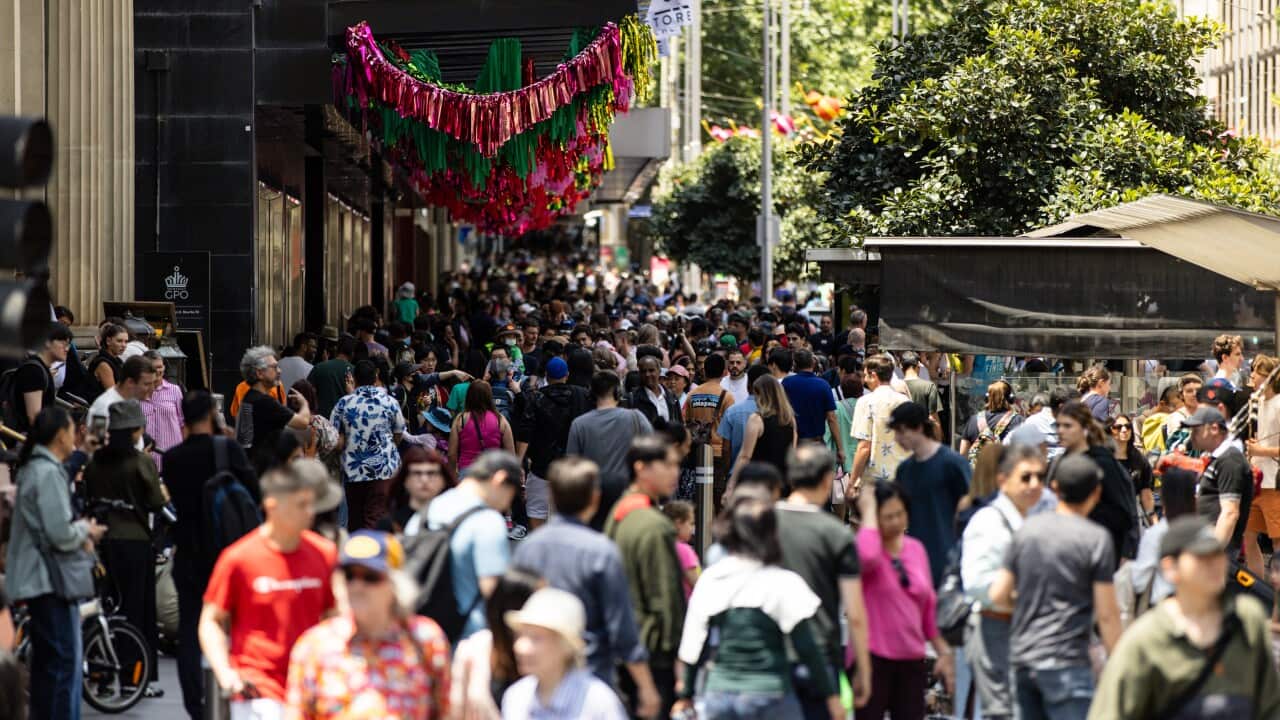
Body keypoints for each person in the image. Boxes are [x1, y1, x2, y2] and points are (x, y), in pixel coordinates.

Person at [673, 490, 843, 720]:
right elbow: (807, 647)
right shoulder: (783, 581)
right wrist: (831, 696)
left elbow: (694, 645)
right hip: (771, 694)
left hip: (720, 694)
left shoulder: (712, 579)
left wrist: (685, 694)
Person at [1090, 516, 1280, 720]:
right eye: (1201, 558)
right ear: (1170, 568)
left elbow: (1269, 704)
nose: (1214, 565)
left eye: (1218, 555)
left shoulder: (1248, 620)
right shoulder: (1145, 640)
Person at [510, 458, 660, 712]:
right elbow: (622, 627)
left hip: (538, 678)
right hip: (592, 676)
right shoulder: (602, 552)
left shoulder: (527, 549)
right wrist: (646, 686)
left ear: (552, 495)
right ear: (594, 498)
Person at [989, 454, 1122, 720]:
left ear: (1055, 488)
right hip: (1068, 662)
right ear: (1096, 492)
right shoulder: (1096, 539)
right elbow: (1107, 615)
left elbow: (998, 595)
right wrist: (1120, 665)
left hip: (1023, 661)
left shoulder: (1026, 530)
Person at [200, 466, 338, 720]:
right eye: (301, 505)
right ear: (272, 505)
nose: (310, 512)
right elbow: (211, 621)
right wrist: (225, 673)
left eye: (311, 504)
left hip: (314, 686)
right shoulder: (239, 558)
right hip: (257, 689)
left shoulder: (325, 554)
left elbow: (335, 617)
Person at [285, 530, 452, 720]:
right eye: (349, 576)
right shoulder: (314, 646)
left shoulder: (426, 639)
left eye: (370, 577)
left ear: (395, 584)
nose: (357, 586)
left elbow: (446, 713)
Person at [6, 407, 107, 720]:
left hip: (41, 579)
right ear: (60, 435)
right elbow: (60, 534)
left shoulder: (38, 468)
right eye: (70, 430)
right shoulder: (46, 472)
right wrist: (86, 530)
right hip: (48, 580)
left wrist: (85, 453)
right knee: (62, 662)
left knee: (50, 663)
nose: (73, 436)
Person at [163, 390, 259, 719]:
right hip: (228, 554)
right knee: (235, 624)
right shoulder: (227, 449)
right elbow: (253, 494)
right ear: (211, 414)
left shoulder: (173, 458)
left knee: (191, 628)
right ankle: (233, 688)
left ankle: (196, 705)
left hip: (188, 554)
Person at [776, 443, 873, 717]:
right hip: (819, 656)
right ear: (826, 478)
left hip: (766, 655)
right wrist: (863, 669)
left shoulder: (760, 524)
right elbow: (854, 612)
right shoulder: (836, 534)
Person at [82, 400, 169, 697]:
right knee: (137, 611)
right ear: (135, 431)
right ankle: (135, 679)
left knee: (104, 610)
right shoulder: (140, 462)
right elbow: (157, 502)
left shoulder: (94, 463)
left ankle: (101, 677)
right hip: (135, 542)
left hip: (103, 543)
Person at [961, 444, 1049, 720]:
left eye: (1040, 477)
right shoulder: (989, 521)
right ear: (1002, 479)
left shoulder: (1034, 518)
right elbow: (977, 585)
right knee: (1004, 712)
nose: (1035, 484)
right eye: (1026, 477)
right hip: (994, 628)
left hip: (1026, 631)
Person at [854, 480, 952, 719]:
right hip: (871, 659)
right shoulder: (865, 547)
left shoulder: (916, 549)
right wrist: (867, 511)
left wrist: (944, 652)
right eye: (887, 517)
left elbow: (927, 607)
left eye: (900, 514)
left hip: (911, 659)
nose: (896, 522)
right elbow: (867, 557)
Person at [603, 435, 685, 717]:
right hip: (653, 654)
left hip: (625, 646)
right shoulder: (653, 525)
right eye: (667, 465)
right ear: (641, 467)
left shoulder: (621, 510)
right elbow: (665, 600)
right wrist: (677, 659)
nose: (675, 472)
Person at [425, 451, 521, 640]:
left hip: (427, 633)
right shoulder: (488, 521)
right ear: (500, 479)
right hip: (470, 635)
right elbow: (493, 591)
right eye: (512, 495)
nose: (506, 505)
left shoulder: (428, 509)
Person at [500, 587, 629, 720]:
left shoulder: (598, 702)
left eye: (536, 638)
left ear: (566, 646)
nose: (520, 647)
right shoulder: (515, 698)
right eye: (519, 636)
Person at [889, 401, 971, 587]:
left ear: (918, 427)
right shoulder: (904, 470)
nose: (897, 438)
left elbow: (973, 509)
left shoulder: (953, 464)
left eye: (901, 431)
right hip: (916, 564)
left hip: (952, 562)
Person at [1055, 401, 1139, 565]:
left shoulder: (1103, 463)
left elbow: (1124, 513)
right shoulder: (1059, 462)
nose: (1060, 431)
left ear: (1084, 428)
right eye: (1058, 426)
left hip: (1101, 554)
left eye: (1067, 426)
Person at [568, 371, 655, 530]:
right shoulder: (636, 417)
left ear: (591, 394)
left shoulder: (579, 424)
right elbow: (655, 451)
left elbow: (572, 466)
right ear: (618, 392)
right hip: (629, 494)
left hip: (593, 496)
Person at [513, 356, 591, 530]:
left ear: (546, 375)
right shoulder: (582, 396)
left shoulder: (536, 398)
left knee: (536, 513)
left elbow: (525, 432)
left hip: (541, 467)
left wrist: (518, 463)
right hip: (571, 468)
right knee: (569, 516)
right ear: (567, 374)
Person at [330, 359, 407, 530]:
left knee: (355, 519)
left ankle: (356, 553)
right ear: (376, 376)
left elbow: (333, 438)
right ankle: (374, 552)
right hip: (384, 470)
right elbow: (399, 432)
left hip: (354, 470)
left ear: (354, 378)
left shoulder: (343, 403)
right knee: (376, 516)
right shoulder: (389, 401)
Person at [1129, 466, 1199, 614]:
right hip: (1202, 609)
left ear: (1163, 497)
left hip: (1165, 611)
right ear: (1194, 497)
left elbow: (1139, 581)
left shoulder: (1156, 534)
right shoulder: (1205, 533)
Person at [1185, 405, 1254, 554]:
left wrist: (1212, 554)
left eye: (1196, 430)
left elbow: (1230, 513)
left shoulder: (1230, 460)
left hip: (1217, 555)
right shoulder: (1217, 458)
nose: (1192, 436)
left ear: (1214, 429)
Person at [236, 346, 313, 475]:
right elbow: (303, 422)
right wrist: (304, 403)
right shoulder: (265, 402)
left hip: (254, 468)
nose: (279, 371)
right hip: (265, 472)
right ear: (259, 373)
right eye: (274, 367)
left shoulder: (249, 397)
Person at [727, 374, 797, 496]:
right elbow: (792, 454)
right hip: (782, 483)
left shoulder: (756, 419)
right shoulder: (790, 420)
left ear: (762, 395)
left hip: (759, 482)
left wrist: (731, 485)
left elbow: (745, 456)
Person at [850, 353, 910, 490]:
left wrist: (852, 482)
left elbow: (864, 447)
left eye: (865, 375)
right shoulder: (906, 401)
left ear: (874, 375)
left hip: (877, 481)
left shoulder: (865, 402)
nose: (864, 380)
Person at [684, 353, 736, 500]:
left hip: (696, 453)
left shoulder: (692, 395)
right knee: (717, 499)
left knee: (698, 497)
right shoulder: (727, 397)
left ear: (704, 371)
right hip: (718, 454)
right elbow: (729, 431)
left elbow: (687, 423)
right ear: (725, 372)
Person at [1246, 354, 1280, 576]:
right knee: (1248, 537)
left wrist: (1260, 451)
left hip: (1274, 482)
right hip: (1255, 480)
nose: (1252, 377)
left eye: (1256, 373)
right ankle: (1257, 587)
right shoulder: (1255, 403)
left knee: (1277, 540)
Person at [8, 322, 72, 434]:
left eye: (69, 344)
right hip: (23, 441)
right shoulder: (34, 371)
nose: (67, 349)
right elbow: (34, 418)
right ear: (47, 342)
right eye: (63, 343)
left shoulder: (42, 369)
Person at [782, 350, 847, 460]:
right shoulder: (823, 385)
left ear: (795, 364)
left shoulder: (787, 383)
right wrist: (840, 448)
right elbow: (831, 418)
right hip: (816, 443)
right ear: (813, 364)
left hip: (794, 444)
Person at [448, 380, 515, 478]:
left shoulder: (461, 419)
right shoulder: (500, 420)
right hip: (492, 473)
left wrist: (453, 473)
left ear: (469, 396)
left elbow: (451, 453)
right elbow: (510, 454)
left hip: (467, 472)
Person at [383, 446, 452, 536]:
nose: (424, 479)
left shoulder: (454, 520)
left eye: (431, 473)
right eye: (417, 473)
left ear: (443, 480)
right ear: (405, 480)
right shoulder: (388, 524)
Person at [718, 363, 771, 467]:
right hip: (768, 475)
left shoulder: (732, 412)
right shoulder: (779, 413)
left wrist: (726, 471)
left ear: (748, 385)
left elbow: (726, 448)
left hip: (737, 473)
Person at [140, 350, 185, 468]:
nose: (157, 371)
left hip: (172, 456)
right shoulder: (137, 394)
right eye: (153, 367)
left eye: (160, 367)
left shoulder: (175, 390)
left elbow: (183, 423)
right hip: (146, 459)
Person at [87, 354, 157, 430]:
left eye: (153, 383)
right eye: (147, 384)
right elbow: (96, 440)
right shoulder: (103, 408)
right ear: (130, 382)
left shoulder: (133, 401)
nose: (152, 389)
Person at [1108, 414, 1155, 521]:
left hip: (1132, 517)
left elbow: (1146, 494)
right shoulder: (1103, 458)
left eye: (1127, 426)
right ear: (1111, 430)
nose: (1124, 430)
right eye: (1118, 427)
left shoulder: (1139, 459)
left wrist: (1153, 521)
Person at [959, 380, 1023, 458]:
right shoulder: (1018, 420)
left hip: (979, 469)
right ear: (1011, 399)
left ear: (987, 398)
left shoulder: (973, 420)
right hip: (1006, 469)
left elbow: (963, 453)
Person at [308, 335, 357, 418]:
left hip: (322, 421)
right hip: (345, 421)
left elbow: (308, 392)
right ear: (352, 353)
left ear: (336, 349)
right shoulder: (355, 371)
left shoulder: (319, 367)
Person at [628, 355, 682, 427]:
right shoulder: (633, 398)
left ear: (659, 371)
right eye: (643, 371)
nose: (647, 374)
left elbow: (679, 424)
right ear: (639, 374)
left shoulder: (671, 397)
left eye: (651, 370)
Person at [663, 500, 700, 600]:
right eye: (691, 523)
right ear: (678, 523)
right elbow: (697, 584)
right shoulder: (684, 550)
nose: (692, 529)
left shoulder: (662, 545)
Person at [900, 351, 942, 428]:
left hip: (901, 435)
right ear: (918, 367)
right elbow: (933, 418)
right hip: (922, 434)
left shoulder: (894, 387)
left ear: (901, 367)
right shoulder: (929, 386)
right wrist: (939, 437)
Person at [87, 322, 128, 400]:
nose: (124, 345)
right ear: (108, 341)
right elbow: (113, 394)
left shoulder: (118, 360)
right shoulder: (103, 364)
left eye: (126, 341)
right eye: (119, 341)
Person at [1163, 373, 1204, 441]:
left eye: (1198, 390)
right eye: (1189, 391)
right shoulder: (1176, 418)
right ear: (1181, 395)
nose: (1195, 394)